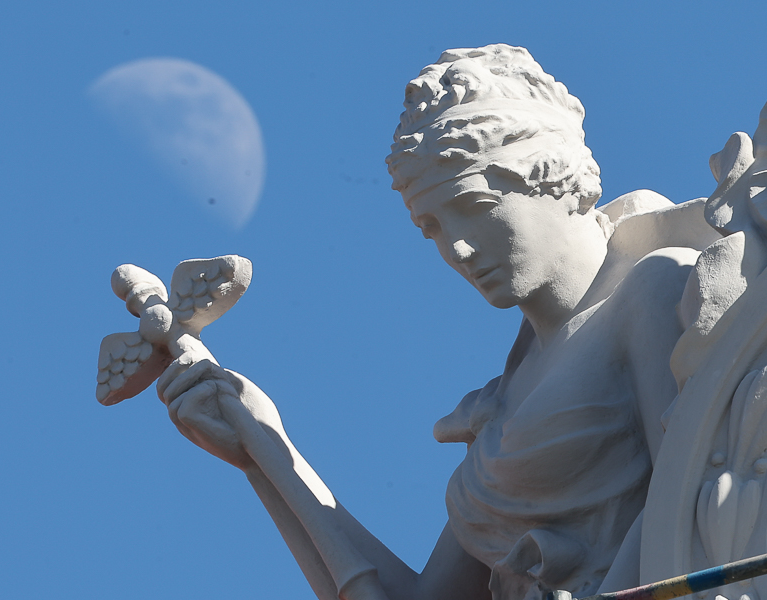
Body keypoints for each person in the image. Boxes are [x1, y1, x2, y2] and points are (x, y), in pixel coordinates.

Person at [155, 44, 718, 600]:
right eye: (433, 229)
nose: (459, 249)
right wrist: (263, 448)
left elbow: (690, 500)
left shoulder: (656, 289)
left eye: (475, 208)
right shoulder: (503, 404)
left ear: (552, 177)